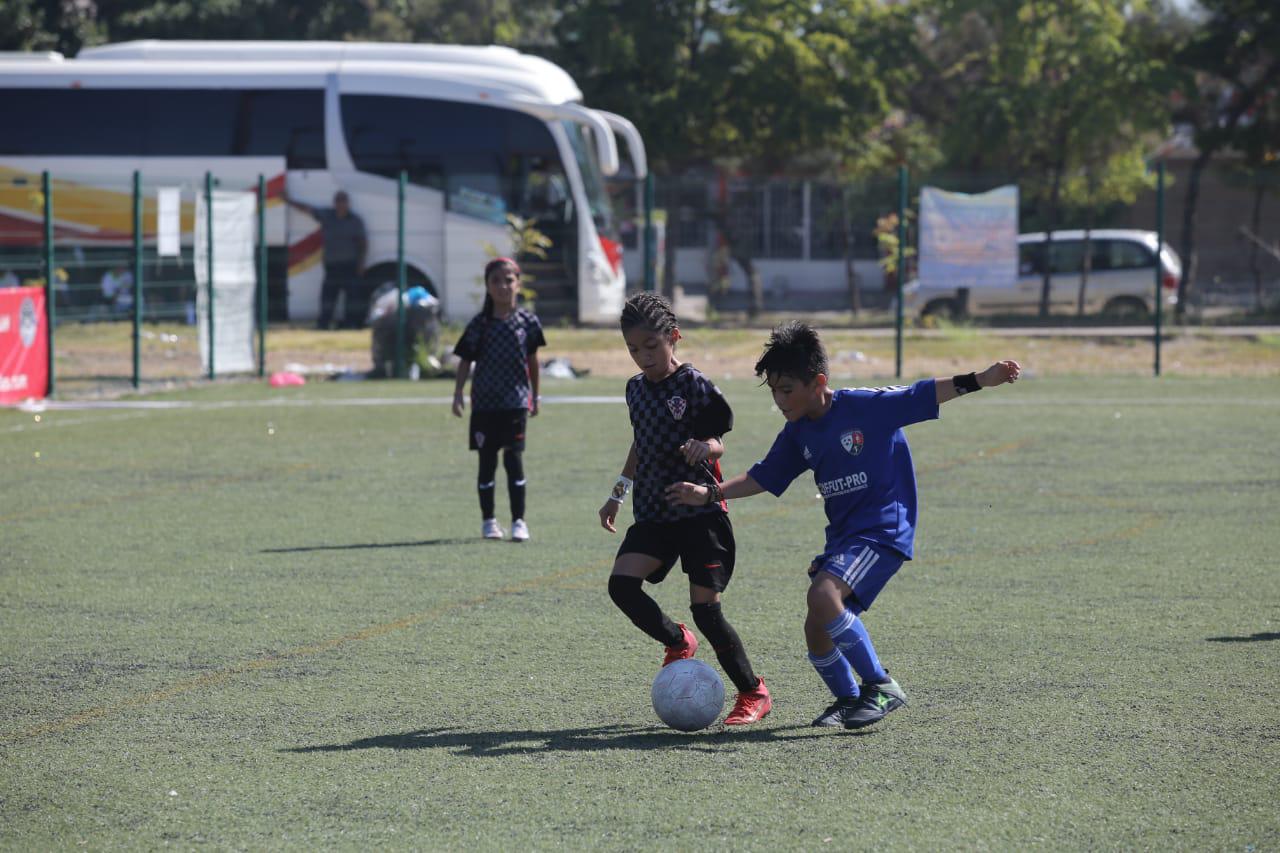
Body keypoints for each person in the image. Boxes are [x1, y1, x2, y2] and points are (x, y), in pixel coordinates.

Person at [667, 322, 1020, 729]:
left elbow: (922, 394)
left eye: (786, 390)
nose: (780, 400)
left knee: (822, 595)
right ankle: (850, 699)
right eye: (774, 392)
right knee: (816, 628)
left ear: (818, 382)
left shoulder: (865, 407)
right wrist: (709, 494)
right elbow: (764, 477)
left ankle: (880, 685)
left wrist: (981, 379)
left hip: (883, 529)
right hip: (845, 538)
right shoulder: (798, 432)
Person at [598, 292, 772, 726]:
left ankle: (753, 692)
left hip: (699, 513)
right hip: (655, 511)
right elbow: (641, 442)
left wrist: (703, 445)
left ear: (673, 337)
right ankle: (677, 640)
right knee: (622, 585)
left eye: (651, 347)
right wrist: (618, 492)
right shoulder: (635, 389)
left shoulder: (694, 384)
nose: (642, 357)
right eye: (633, 349)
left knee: (707, 610)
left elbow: (720, 441)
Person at [452, 258, 546, 542]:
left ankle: (519, 521)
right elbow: (465, 361)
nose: (503, 286)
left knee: (513, 460)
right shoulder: (479, 325)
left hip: (515, 402)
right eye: (497, 281)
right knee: (487, 462)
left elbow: (533, 362)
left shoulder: (528, 322)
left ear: (518, 283)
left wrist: (535, 395)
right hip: (484, 404)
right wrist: (458, 393)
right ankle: (489, 521)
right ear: (488, 286)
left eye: (509, 280)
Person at [285, 190, 367, 329]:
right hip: (332, 266)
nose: (341, 204)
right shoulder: (328, 216)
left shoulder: (355, 221)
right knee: (327, 298)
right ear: (335, 203)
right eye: (338, 201)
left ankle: (349, 325)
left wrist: (361, 264)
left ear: (348, 204)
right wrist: (288, 200)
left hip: (349, 265)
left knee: (351, 299)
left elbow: (363, 244)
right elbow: (307, 209)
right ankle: (323, 324)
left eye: (343, 201)